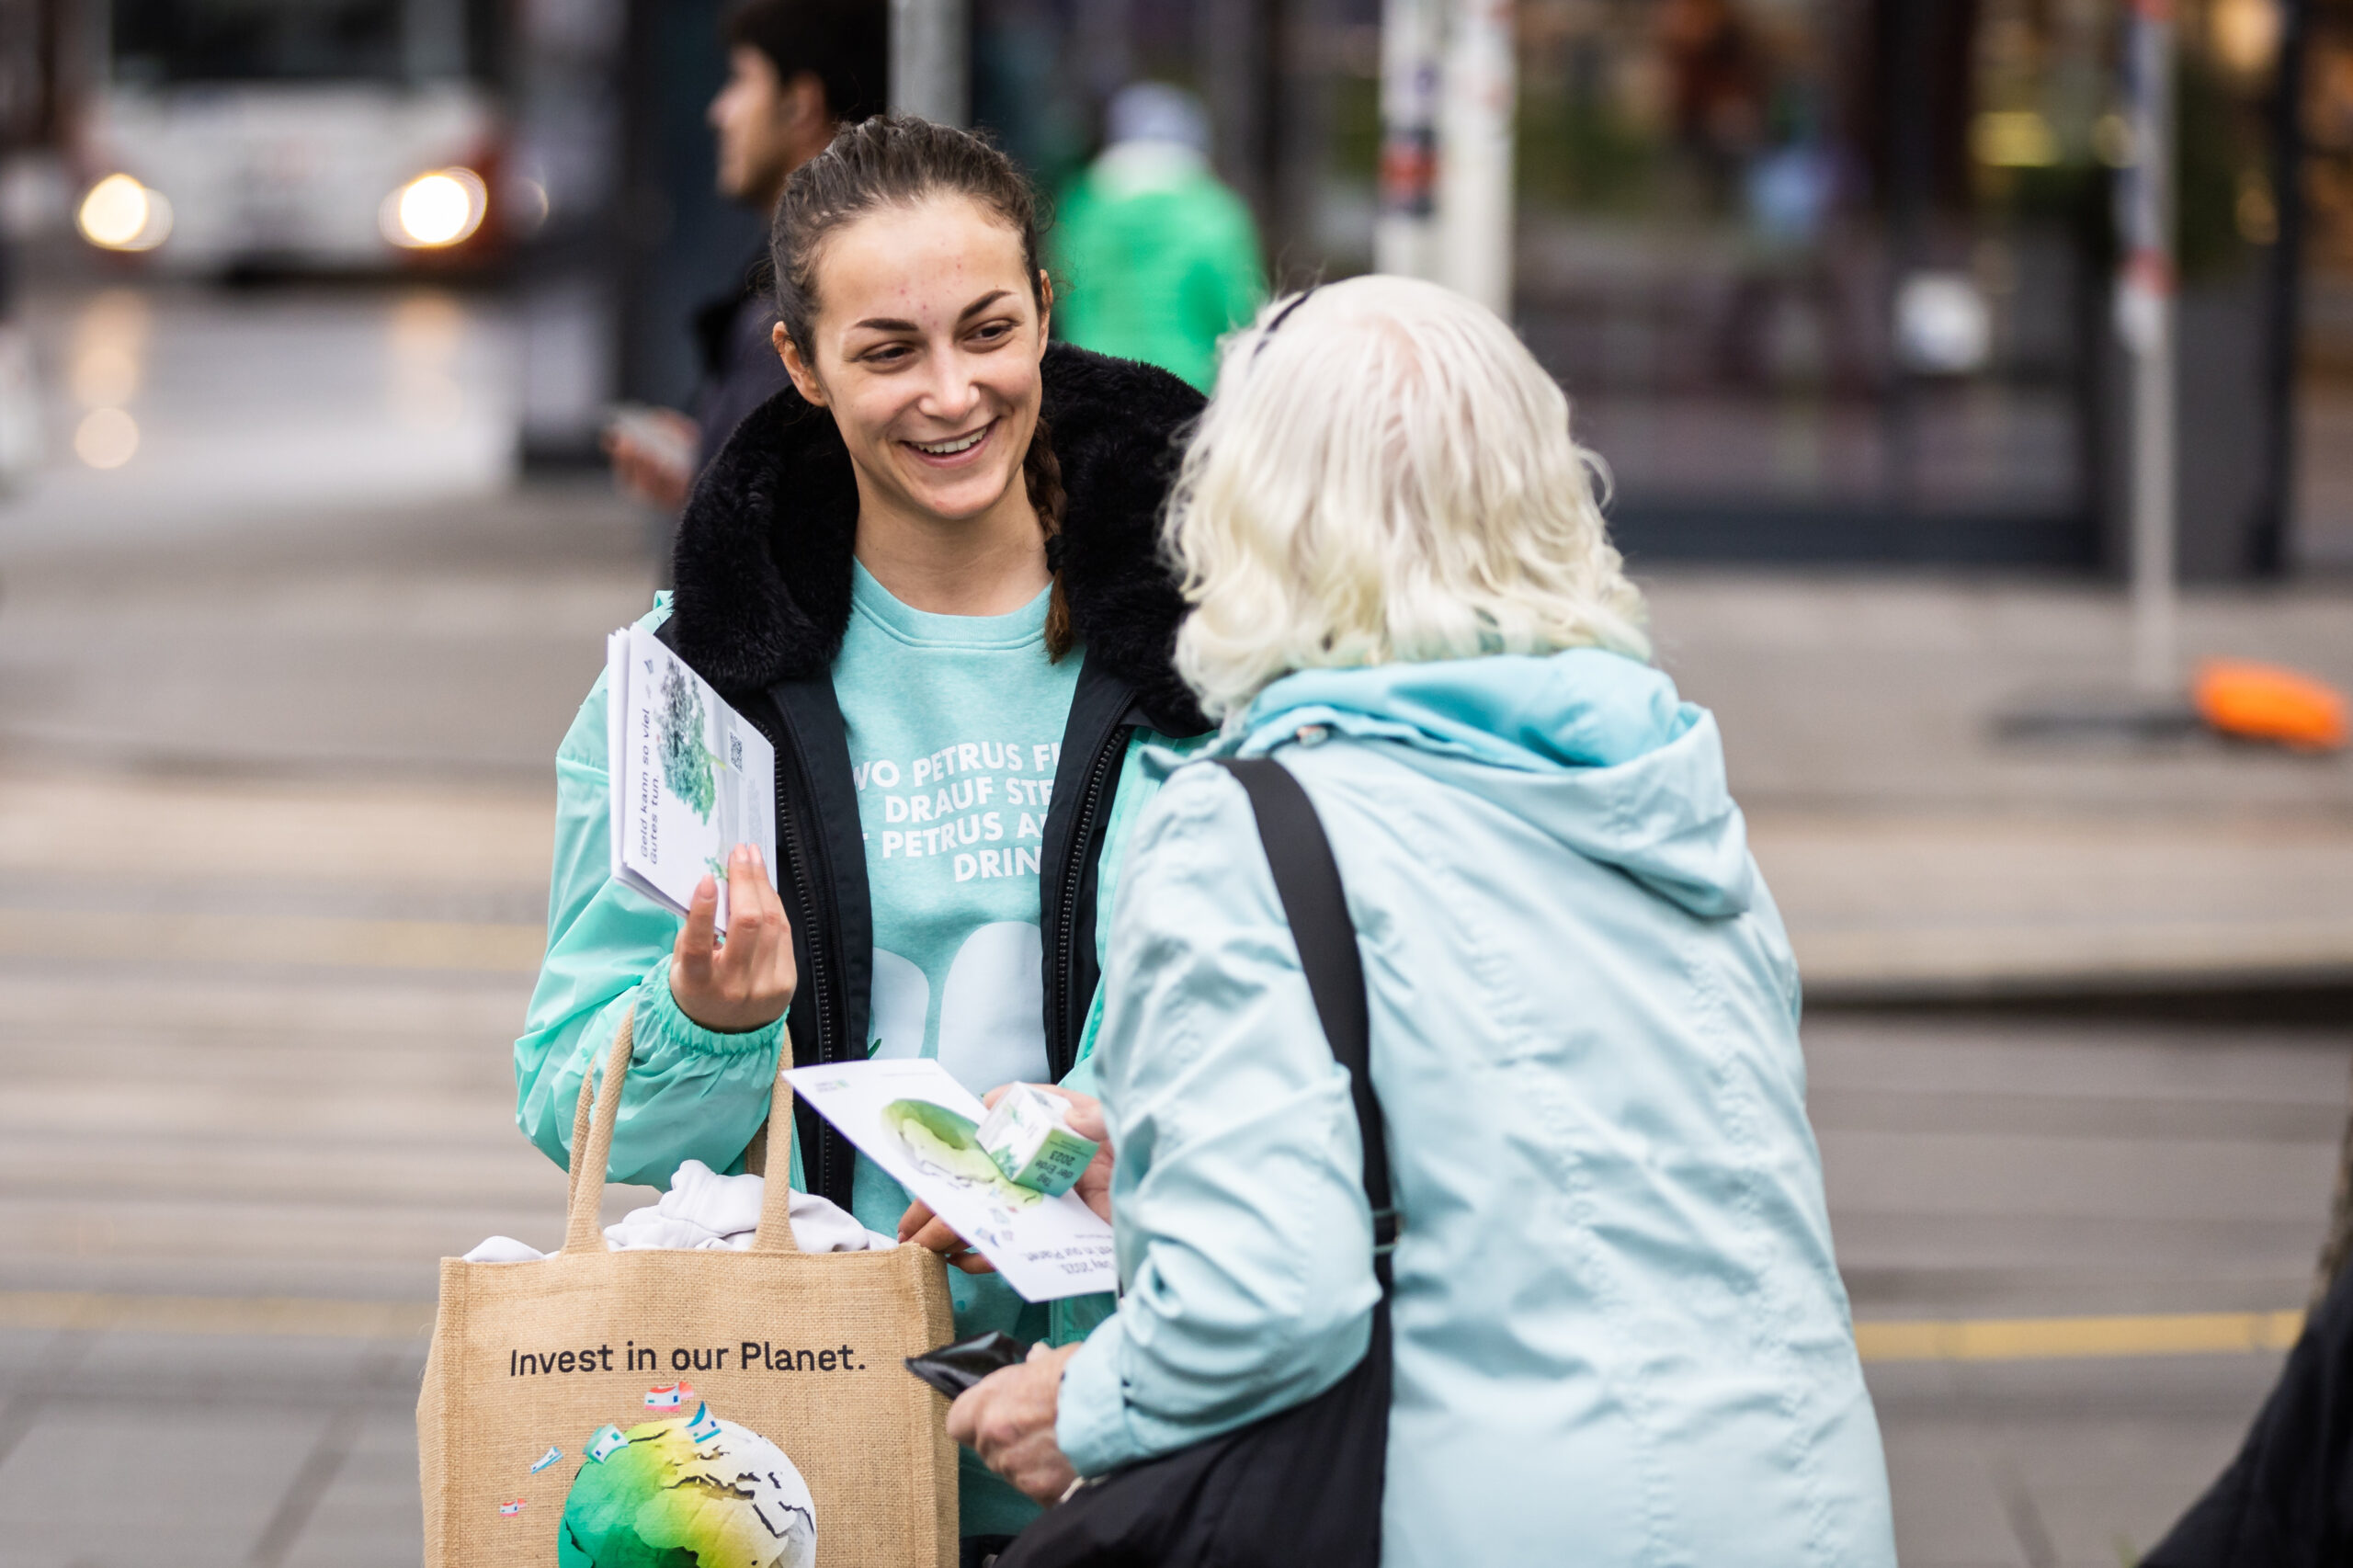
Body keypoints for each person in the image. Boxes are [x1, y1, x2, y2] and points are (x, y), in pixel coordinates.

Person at [941, 277, 1900, 1564]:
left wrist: (1085, 1403)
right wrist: (1167, 1157)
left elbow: (1270, 1296)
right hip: (1803, 1501)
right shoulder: (1659, 782)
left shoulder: (1245, 825)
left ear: (1250, 514)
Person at [514, 116, 1211, 1563]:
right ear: (800, 364)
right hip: (812, 1462)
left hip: (1155, 1440)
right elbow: (565, 1095)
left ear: (1045, 318)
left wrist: (1100, 1114)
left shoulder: (1215, 659)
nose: (952, 393)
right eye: (887, 349)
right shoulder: (689, 684)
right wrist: (702, 1020)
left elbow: (1325, 1032)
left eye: (988, 331)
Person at [603, 0, 886, 512]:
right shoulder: (821, 285)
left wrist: (710, 491)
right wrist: (707, 458)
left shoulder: (793, 317)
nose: (719, 112)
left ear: (800, 104)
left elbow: (767, 542)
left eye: (740, 80)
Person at [1046, 82, 1263, 393]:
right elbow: (1241, 315)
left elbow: (1062, 298)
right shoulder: (1218, 213)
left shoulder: (1084, 208)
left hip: (1091, 388)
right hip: (1187, 395)